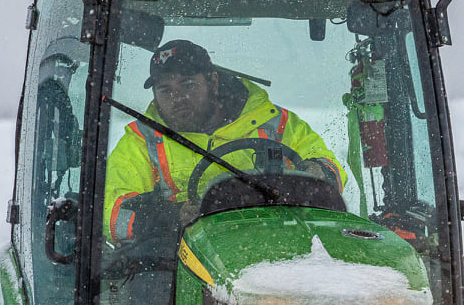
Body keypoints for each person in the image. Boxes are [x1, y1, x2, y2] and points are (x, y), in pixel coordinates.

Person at [104, 39, 346, 246]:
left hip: (279, 242)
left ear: (213, 82)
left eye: (188, 85)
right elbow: (113, 213)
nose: (177, 99)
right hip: (179, 256)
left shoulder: (274, 122)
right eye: (165, 90)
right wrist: (172, 216)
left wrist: (317, 170)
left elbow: (330, 170)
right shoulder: (141, 140)